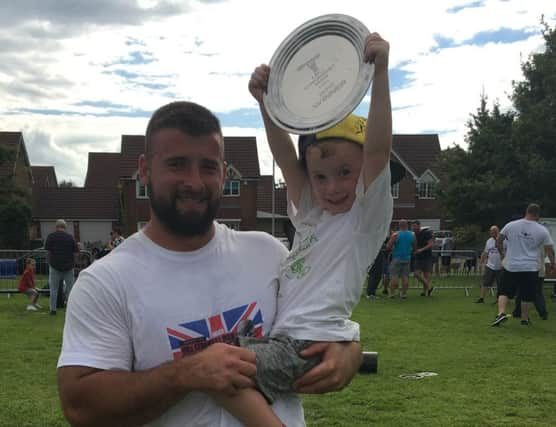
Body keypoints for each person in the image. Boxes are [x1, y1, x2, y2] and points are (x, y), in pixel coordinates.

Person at [57, 101, 362, 427]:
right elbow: (80, 407)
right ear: (145, 169)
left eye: (208, 167)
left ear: (224, 172)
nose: (195, 182)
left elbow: (319, 323)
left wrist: (350, 353)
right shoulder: (106, 280)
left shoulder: (267, 253)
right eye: (177, 164)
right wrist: (186, 373)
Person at [215, 32, 392, 427]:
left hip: (309, 343)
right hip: (284, 338)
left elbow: (379, 148)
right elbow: (283, 154)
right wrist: (266, 102)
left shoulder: (362, 221)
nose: (332, 187)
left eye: (346, 173)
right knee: (222, 361)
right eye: (321, 176)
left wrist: (381, 72)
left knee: (221, 375)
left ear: (364, 173)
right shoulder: (310, 215)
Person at [492, 204, 555, 326]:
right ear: (538, 215)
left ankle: (501, 313)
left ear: (526, 212)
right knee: (527, 295)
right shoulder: (542, 230)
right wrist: (552, 263)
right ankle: (525, 319)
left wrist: (502, 254)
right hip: (530, 267)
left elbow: (498, 240)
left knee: (504, 292)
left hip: (512, 265)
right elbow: (549, 250)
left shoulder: (511, 225)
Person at [44, 219, 78, 315]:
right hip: (68, 267)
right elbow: (75, 252)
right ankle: (71, 309)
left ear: (56, 227)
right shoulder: (70, 237)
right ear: (65, 227)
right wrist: (73, 263)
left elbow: (48, 252)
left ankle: (53, 309)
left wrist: (49, 262)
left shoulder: (51, 237)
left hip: (55, 266)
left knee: (53, 289)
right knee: (69, 289)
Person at [512, 245, 549, 320]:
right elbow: (545, 255)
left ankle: (518, 311)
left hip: (527, 270)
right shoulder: (543, 243)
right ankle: (542, 312)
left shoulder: (525, 243)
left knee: (522, 291)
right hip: (539, 270)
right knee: (538, 292)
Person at [386, 219, 416, 299]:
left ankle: (392, 293)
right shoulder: (412, 234)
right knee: (405, 277)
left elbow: (388, 246)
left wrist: (391, 245)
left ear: (399, 225)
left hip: (397, 257)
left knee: (394, 276)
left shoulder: (396, 234)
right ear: (407, 225)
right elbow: (414, 245)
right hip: (407, 258)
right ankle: (404, 294)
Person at [476, 226, 503, 303]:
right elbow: (485, 252)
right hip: (490, 266)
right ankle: (481, 298)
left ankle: (499, 299)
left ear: (498, 232)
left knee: (501, 284)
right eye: (491, 232)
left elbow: (507, 252)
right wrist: (481, 262)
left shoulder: (504, 241)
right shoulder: (489, 241)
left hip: (501, 267)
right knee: (485, 283)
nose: (493, 233)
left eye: (495, 232)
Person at [412, 220, 434, 296]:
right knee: (416, 274)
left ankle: (425, 292)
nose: (413, 228)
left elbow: (431, 244)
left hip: (427, 256)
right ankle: (429, 286)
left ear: (419, 226)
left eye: (415, 226)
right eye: (412, 226)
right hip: (418, 257)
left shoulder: (427, 233)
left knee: (426, 275)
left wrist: (421, 249)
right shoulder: (413, 234)